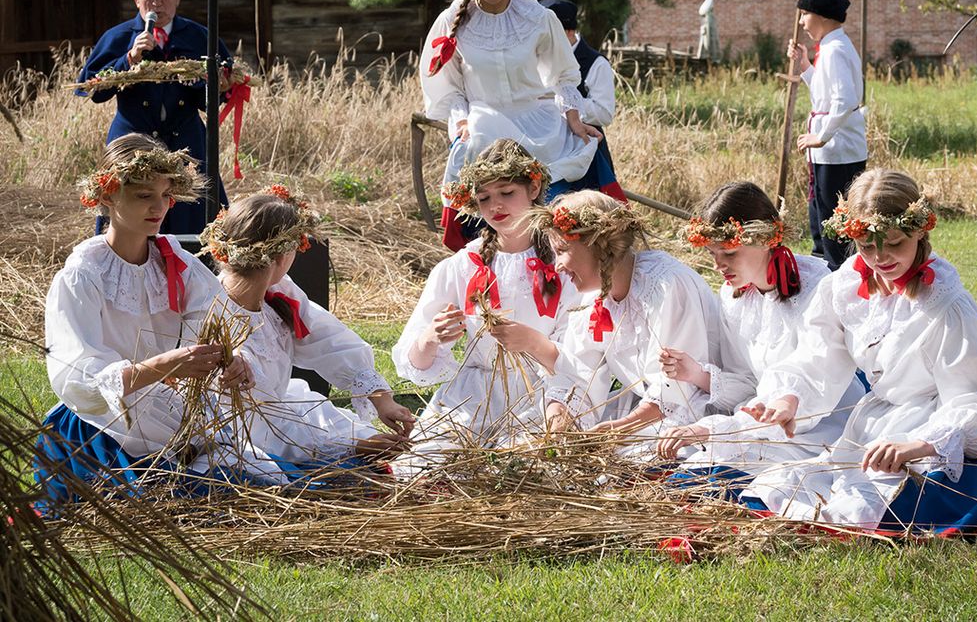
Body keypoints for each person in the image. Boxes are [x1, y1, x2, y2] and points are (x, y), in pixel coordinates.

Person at [736, 169, 977, 535]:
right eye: (866, 246)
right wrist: (790, 399)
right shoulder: (843, 287)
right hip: (879, 424)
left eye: (895, 244)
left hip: (946, 422)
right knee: (785, 489)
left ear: (920, 231)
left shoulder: (945, 303)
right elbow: (818, 355)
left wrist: (923, 444)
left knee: (884, 509)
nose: (880, 258)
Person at [35, 134, 257, 505]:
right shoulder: (82, 276)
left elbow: (217, 322)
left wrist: (232, 360)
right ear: (108, 196)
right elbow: (78, 380)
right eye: (143, 195)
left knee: (250, 483)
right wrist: (163, 366)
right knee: (173, 502)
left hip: (168, 412)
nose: (159, 207)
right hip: (104, 425)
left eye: (166, 195)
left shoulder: (174, 262)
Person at [654, 182, 865, 496]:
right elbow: (747, 382)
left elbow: (815, 376)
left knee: (738, 486)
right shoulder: (734, 298)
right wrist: (697, 374)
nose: (718, 265)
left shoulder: (818, 288)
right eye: (712, 253)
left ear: (766, 239)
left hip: (818, 425)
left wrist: (721, 429)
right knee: (686, 477)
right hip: (759, 424)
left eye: (729, 253)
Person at [391, 140, 584, 477]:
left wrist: (534, 342)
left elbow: (582, 354)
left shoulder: (565, 262)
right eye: (483, 198)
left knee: (523, 472)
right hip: (472, 395)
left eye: (507, 193)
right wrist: (431, 338)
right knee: (426, 468)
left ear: (534, 188)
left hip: (545, 392)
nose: (495, 206)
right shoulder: (461, 266)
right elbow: (413, 359)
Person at [200, 185, 417, 468]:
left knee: (363, 440)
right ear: (282, 256)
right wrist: (356, 446)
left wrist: (381, 399)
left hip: (282, 416)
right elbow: (260, 423)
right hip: (241, 435)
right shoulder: (218, 318)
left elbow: (330, 340)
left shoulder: (278, 292)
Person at [420, 0, 601, 252]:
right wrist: (461, 121)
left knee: (566, 186)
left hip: (537, 121)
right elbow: (448, 86)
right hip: (484, 124)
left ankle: (559, 260)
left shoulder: (535, 16)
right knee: (482, 173)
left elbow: (564, 73)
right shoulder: (453, 20)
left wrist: (573, 118)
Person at [530, 190, 721, 455]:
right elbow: (579, 373)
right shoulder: (593, 298)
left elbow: (678, 388)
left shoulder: (665, 286)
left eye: (562, 251)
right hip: (644, 413)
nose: (558, 266)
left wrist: (620, 429)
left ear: (597, 244)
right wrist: (560, 421)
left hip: (695, 412)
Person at [77, 0, 233, 235]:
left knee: (193, 217)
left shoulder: (200, 37)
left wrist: (216, 85)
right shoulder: (119, 37)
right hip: (132, 141)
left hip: (186, 142)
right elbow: (92, 89)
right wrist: (129, 58)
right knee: (129, 214)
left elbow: (218, 95)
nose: (156, 4)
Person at [786, 0, 866, 271]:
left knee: (836, 226)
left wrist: (820, 137)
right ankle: (825, 269)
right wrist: (805, 65)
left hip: (838, 152)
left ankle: (839, 274)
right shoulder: (832, 48)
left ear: (821, 16)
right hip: (830, 153)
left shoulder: (835, 51)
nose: (801, 22)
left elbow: (844, 100)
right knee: (822, 218)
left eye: (805, 14)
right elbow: (825, 95)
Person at [539, 0, 626, 201]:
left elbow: (604, 113)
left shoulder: (596, 63)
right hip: (550, 148)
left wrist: (563, 102)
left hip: (585, 149)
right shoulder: (537, 59)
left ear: (569, 31)